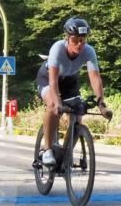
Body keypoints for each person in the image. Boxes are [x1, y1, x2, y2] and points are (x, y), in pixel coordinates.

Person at [36, 17, 113, 167]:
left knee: (78, 114)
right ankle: (47, 150)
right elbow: (53, 80)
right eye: (75, 40)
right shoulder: (58, 48)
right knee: (53, 105)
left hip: (70, 81)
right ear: (67, 38)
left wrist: (101, 105)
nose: (79, 44)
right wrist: (58, 101)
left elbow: (95, 78)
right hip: (48, 78)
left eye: (83, 40)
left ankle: (66, 155)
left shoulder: (89, 51)